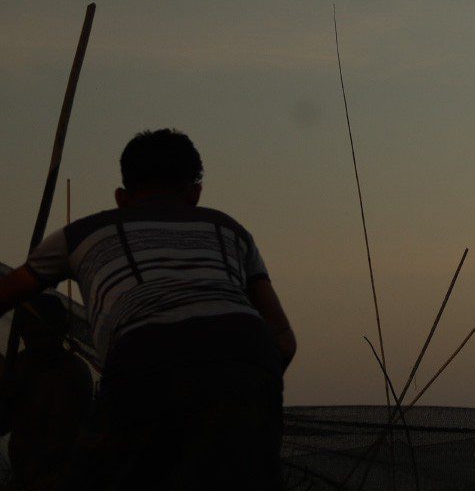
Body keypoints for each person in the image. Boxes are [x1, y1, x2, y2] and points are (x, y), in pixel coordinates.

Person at [0, 128, 297, 490]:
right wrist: (240, 376)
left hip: (146, 352)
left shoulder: (80, 234)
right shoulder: (228, 229)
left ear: (121, 197)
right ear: (195, 194)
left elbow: (9, 291)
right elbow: (283, 339)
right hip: (248, 352)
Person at [0, 295, 93, 491]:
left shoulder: (70, 375)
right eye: (33, 336)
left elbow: (58, 446)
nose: (41, 343)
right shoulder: (24, 361)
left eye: (45, 335)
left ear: (63, 331)